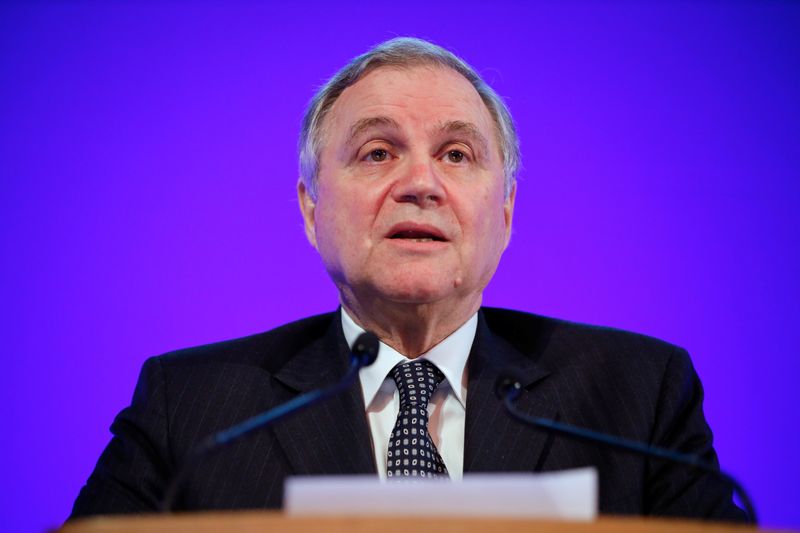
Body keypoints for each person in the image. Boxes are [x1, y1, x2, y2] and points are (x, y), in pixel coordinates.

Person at [70, 37, 745, 521]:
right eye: (376, 151)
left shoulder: (637, 395)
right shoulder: (190, 409)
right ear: (311, 208)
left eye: (456, 154)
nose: (420, 183)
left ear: (504, 213)